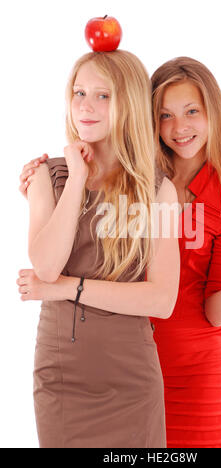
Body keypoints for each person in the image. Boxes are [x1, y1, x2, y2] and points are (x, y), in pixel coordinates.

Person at [19, 56, 221, 449]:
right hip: (122, 352)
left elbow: (214, 310)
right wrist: (49, 188)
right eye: (164, 115)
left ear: (214, 114)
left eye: (192, 111)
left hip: (194, 370)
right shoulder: (135, 177)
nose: (179, 127)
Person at [16, 50, 180, 448]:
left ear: (128, 103)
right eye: (79, 93)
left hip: (131, 381)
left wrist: (66, 289)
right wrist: (76, 179)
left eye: (103, 96)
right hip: (61, 377)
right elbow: (46, 266)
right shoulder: (46, 176)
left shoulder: (159, 191)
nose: (85, 106)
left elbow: (162, 299)